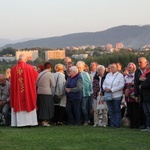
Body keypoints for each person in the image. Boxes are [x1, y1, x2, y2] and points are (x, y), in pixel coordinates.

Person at [10, 54, 38, 127]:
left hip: (17, 93)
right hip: (28, 92)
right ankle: (30, 123)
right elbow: (36, 78)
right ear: (25, 60)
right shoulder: (29, 68)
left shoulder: (13, 69)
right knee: (29, 101)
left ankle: (19, 123)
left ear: (18, 59)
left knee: (18, 103)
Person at [103, 63, 124, 127]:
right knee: (111, 110)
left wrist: (112, 89)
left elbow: (121, 85)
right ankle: (112, 123)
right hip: (108, 95)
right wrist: (105, 88)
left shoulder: (120, 75)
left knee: (116, 110)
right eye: (111, 67)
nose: (111, 68)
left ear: (117, 68)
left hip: (116, 95)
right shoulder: (108, 75)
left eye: (113, 67)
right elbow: (104, 83)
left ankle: (117, 123)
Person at [36, 62, 55, 127]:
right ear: (50, 67)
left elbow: (36, 84)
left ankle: (40, 120)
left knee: (41, 107)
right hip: (47, 92)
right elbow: (53, 85)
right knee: (47, 108)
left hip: (39, 92)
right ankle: (45, 121)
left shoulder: (40, 74)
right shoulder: (50, 74)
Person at [76, 61, 92, 126]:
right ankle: (81, 120)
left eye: (79, 67)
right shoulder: (76, 73)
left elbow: (88, 83)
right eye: (77, 67)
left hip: (84, 93)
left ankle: (86, 120)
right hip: (77, 93)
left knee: (83, 107)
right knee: (79, 107)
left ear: (83, 67)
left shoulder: (85, 74)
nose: (78, 68)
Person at [124, 62, 139, 128]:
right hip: (128, 97)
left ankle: (136, 124)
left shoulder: (136, 76)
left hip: (133, 96)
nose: (129, 69)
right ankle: (131, 124)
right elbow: (124, 86)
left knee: (135, 111)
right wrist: (125, 92)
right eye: (128, 67)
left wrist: (129, 92)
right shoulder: (126, 76)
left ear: (134, 68)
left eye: (130, 67)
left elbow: (136, 86)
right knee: (129, 111)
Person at [134, 57, 148, 129]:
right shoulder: (137, 71)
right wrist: (136, 94)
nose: (139, 64)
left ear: (146, 63)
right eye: (138, 62)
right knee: (143, 110)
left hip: (148, 93)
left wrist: (144, 80)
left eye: (141, 62)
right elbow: (136, 83)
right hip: (141, 93)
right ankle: (144, 125)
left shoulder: (148, 70)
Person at [140, 64, 150, 131]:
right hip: (144, 96)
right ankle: (147, 126)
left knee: (149, 112)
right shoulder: (145, 73)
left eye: (148, 64)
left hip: (148, 96)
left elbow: (148, 84)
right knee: (146, 112)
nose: (146, 65)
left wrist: (142, 86)